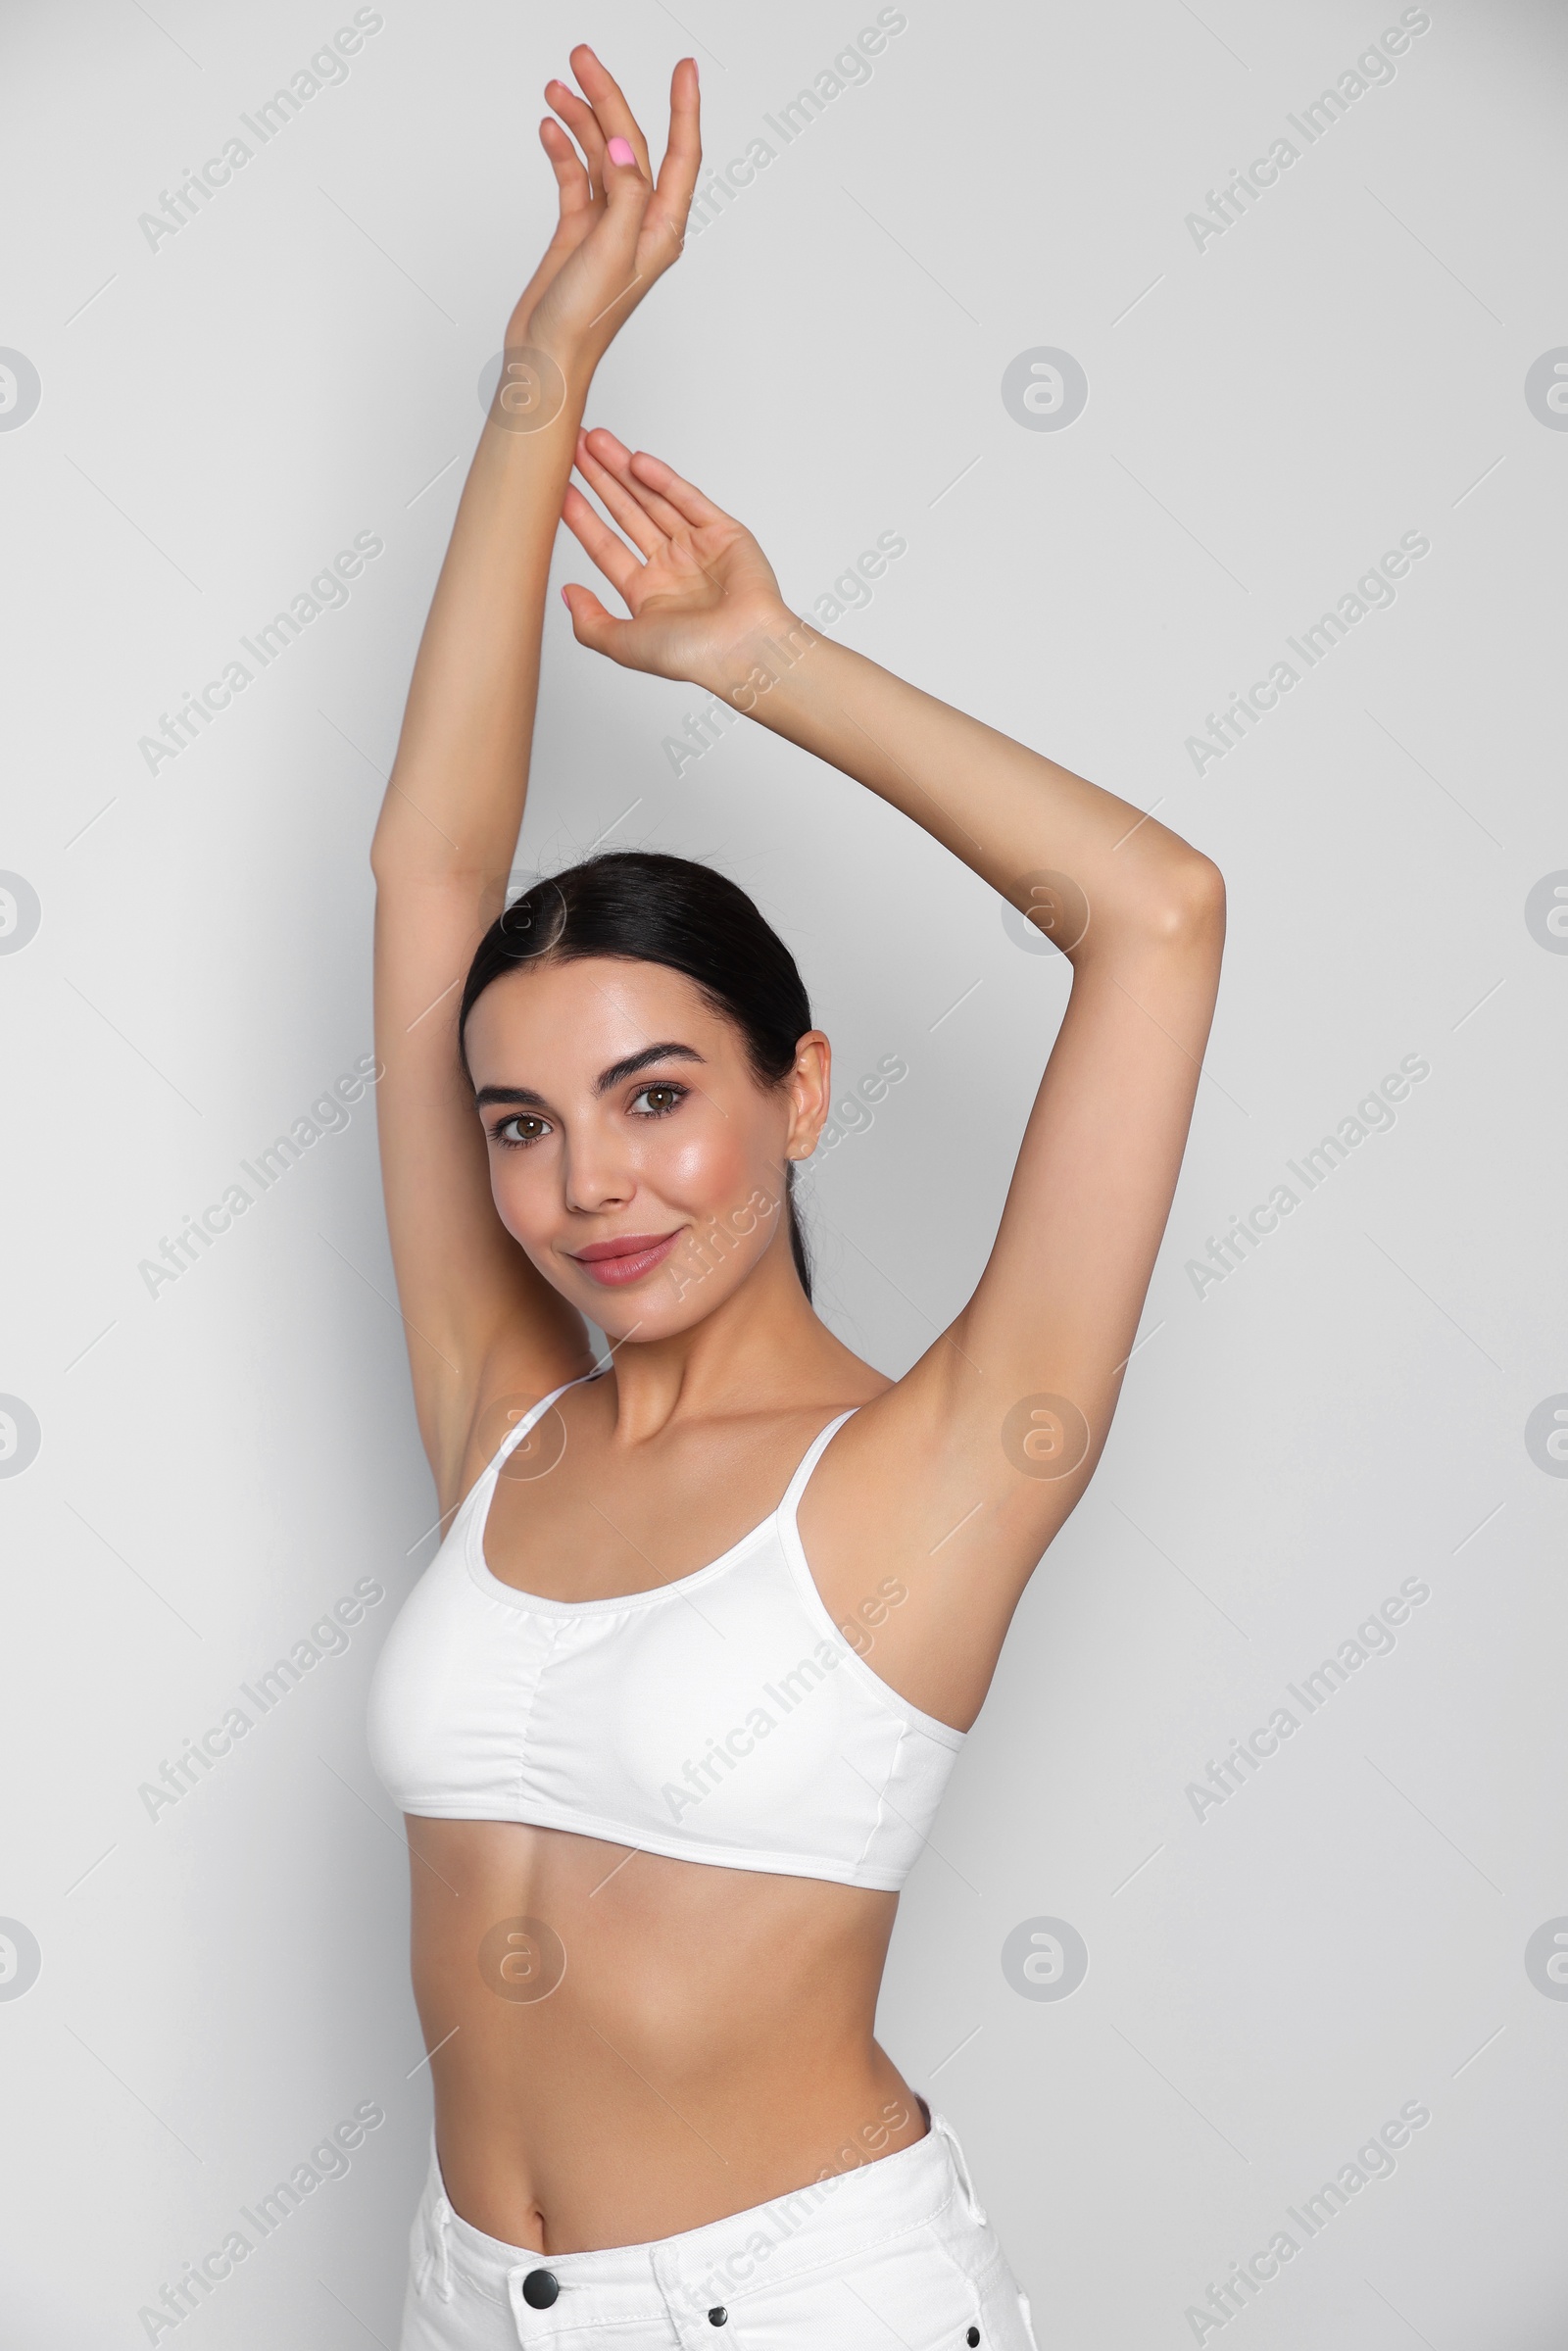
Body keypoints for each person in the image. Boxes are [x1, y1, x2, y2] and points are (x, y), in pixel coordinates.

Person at [365, 42, 1224, 2349]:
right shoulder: (502, 1429)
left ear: (800, 1090)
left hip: (797, 2305)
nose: (580, 1184)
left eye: (657, 1096)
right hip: (463, 2296)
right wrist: (542, 368)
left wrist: (758, 660)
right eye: (520, 1123)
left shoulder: (936, 1469)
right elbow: (432, 870)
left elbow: (1149, 909)